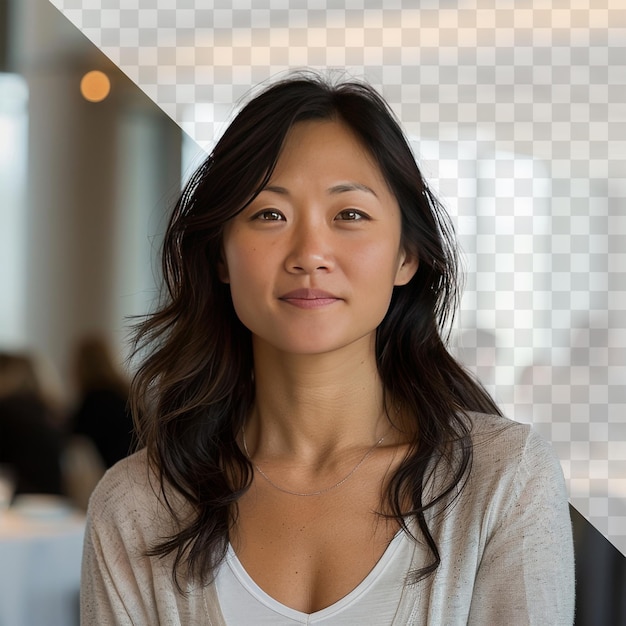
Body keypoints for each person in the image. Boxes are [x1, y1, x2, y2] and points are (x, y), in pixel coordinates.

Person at [81, 72, 575, 625]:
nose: (310, 253)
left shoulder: (504, 479)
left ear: (405, 258)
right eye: (269, 214)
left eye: (350, 216)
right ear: (221, 256)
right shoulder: (135, 505)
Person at [70, 335, 135, 469]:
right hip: (134, 466)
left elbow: (75, 437)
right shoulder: (124, 393)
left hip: (112, 470)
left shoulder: (95, 400)